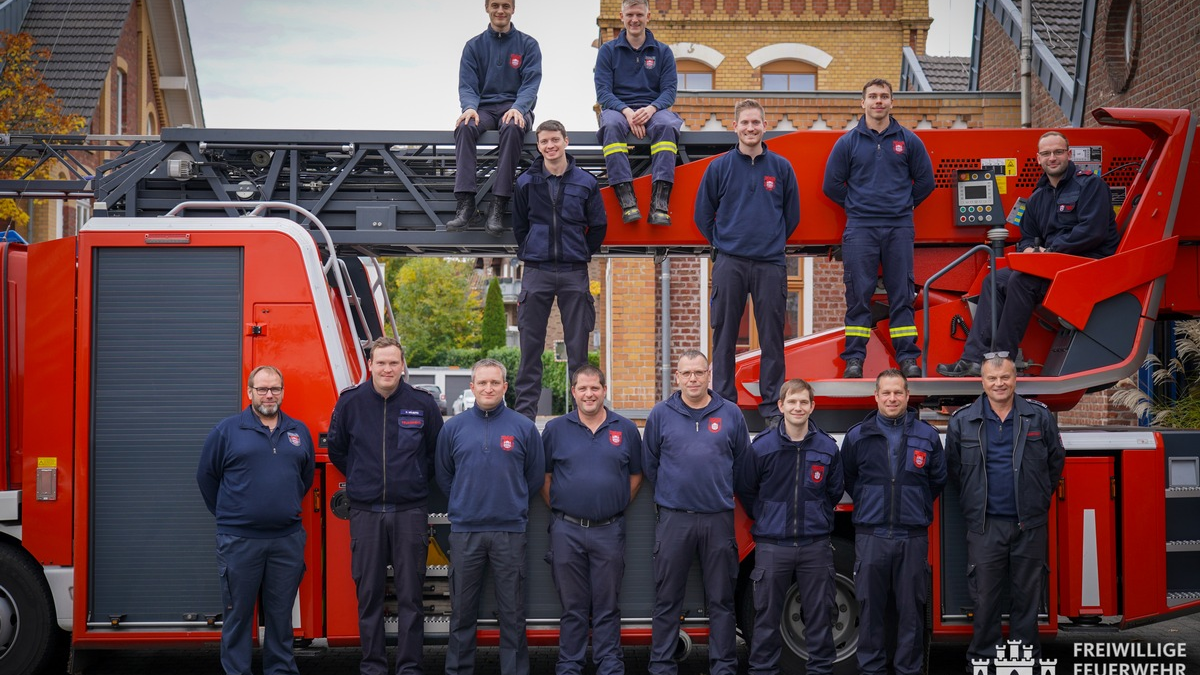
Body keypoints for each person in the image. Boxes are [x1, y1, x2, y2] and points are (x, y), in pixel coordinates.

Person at [937, 130, 1120, 377]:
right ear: (1038, 158)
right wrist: (1029, 250)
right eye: (1046, 153)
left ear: (1069, 154)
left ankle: (1001, 360)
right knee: (994, 280)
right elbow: (1026, 236)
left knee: (1021, 280)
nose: (1052, 158)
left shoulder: (1090, 186)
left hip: (1085, 266)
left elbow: (1092, 231)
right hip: (1052, 266)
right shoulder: (1037, 197)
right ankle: (974, 360)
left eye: (1058, 152)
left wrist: (1051, 251)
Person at [326, 338, 444, 675]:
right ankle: (373, 666)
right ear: (370, 365)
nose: (387, 369)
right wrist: (363, 478)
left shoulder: (422, 403)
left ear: (402, 365)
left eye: (393, 362)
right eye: (381, 363)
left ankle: (409, 667)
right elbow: (338, 450)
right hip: (365, 514)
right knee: (369, 597)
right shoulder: (350, 402)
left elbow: (435, 452)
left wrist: (413, 479)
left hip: (410, 512)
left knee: (411, 598)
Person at [946, 355, 1065, 669]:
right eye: (992, 378)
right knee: (985, 598)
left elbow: (1055, 463)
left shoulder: (1039, 417)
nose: (999, 384)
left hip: (1029, 525)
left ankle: (1024, 661)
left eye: (1005, 377)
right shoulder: (963, 420)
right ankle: (984, 660)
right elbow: (955, 471)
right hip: (985, 526)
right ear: (982, 382)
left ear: (1015, 379)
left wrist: (1037, 500)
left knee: (1027, 597)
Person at [197, 366, 314, 675]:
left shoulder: (298, 431)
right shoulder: (227, 431)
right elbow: (207, 477)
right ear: (249, 392)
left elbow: (304, 479)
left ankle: (280, 670)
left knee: (281, 617)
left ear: (283, 392)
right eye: (262, 389)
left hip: (286, 540)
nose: (269, 395)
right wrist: (233, 515)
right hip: (239, 541)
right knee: (238, 616)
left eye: (275, 389)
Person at [642, 350, 751, 675]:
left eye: (699, 372)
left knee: (721, 600)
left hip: (718, 519)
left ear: (708, 375)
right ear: (677, 376)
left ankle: (723, 667)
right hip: (675, 519)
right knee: (667, 598)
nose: (693, 379)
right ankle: (661, 666)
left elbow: (742, 466)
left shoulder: (730, 413)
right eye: (687, 373)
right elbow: (650, 464)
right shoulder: (660, 414)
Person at [436, 359, 545, 675]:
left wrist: (510, 502)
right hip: (465, 532)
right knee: (462, 614)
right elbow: (444, 476)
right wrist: (466, 503)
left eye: (495, 383)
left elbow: (534, 477)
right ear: (472, 387)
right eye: (482, 383)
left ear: (505, 387)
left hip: (509, 532)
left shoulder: (523, 427)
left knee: (513, 614)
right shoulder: (452, 428)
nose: (488, 388)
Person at [695, 98, 800, 424]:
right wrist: (725, 242)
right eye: (745, 123)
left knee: (772, 339)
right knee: (724, 337)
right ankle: (725, 406)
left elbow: (792, 216)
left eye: (756, 122)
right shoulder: (719, 167)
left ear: (765, 126)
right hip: (731, 263)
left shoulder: (781, 168)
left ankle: (772, 409)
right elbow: (702, 215)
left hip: (770, 263)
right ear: (735, 127)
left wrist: (770, 241)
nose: (750, 128)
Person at [823, 78, 935, 380]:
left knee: (902, 294)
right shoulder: (848, 143)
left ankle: (908, 359)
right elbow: (831, 185)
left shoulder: (909, 141)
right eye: (872, 96)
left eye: (884, 96)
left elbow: (926, 182)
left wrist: (903, 204)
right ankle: (854, 360)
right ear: (863, 103)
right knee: (858, 295)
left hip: (899, 226)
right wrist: (858, 205)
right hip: (860, 228)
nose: (878, 101)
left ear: (891, 102)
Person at [840, 369, 946, 675]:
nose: (892, 398)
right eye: (886, 392)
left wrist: (915, 504)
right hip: (871, 536)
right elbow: (848, 477)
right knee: (870, 609)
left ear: (907, 396)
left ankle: (908, 669)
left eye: (898, 392)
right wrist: (870, 500)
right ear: (876, 396)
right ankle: (871, 669)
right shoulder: (858, 435)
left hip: (911, 537)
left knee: (911, 611)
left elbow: (937, 479)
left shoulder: (927, 436)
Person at [735, 378, 843, 675]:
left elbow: (834, 491)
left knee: (820, 615)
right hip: (773, 545)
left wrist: (816, 516)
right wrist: (766, 515)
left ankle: (820, 670)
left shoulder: (827, 448)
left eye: (803, 402)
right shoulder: (762, 447)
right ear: (781, 406)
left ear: (812, 406)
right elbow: (746, 487)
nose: (798, 407)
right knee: (766, 617)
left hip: (815, 546)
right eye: (792, 402)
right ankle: (763, 670)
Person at [540, 365, 643, 675]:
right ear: (573, 392)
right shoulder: (555, 429)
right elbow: (545, 476)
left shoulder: (625, 429)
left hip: (609, 530)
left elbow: (636, 475)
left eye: (595, 388)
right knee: (572, 607)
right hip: (566, 531)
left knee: (607, 606)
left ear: (604, 390)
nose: (589, 394)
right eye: (582, 389)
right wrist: (564, 509)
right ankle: (569, 666)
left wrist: (614, 504)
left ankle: (609, 665)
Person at [511, 120, 607, 421]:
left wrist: (579, 251)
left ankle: (583, 417)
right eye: (544, 142)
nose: (550, 146)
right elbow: (519, 226)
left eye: (555, 139)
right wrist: (534, 247)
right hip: (536, 269)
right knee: (530, 347)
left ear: (566, 141)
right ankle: (525, 419)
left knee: (578, 348)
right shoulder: (526, 182)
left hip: (573, 270)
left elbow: (598, 225)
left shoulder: (586, 182)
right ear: (538, 146)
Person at [449, 0, 542, 236]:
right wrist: (469, 107)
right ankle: (465, 203)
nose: (500, 10)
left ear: (513, 9)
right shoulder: (473, 46)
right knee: (464, 126)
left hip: (516, 107)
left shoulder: (528, 44)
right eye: (495, 5)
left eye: (506, 6)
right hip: (484, 109)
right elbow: (467, 85)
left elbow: (530, 85)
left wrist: (519, 108)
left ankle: (498, 203)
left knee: (512, 126)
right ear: (487, 8)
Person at [595, 0, 683, 226]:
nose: (634, 20)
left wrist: (651, 109)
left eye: (639, 15)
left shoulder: (663, 52)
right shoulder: (607, 51)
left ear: (648, 17)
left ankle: (660, 202)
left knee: (666, 126)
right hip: (618, 109)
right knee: (611, 126)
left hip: (653, 109)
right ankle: (626, 200)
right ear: (622, 17)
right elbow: (603, 93)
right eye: (630, 15)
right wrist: (626, 112)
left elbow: (669, 92)